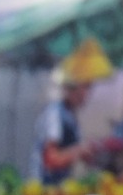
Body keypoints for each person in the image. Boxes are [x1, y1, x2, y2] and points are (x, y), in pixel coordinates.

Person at [33, 38, 113, 185]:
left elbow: (71, 154)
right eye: (86, 86)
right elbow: (50, 159)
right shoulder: (55, 114)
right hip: (45, 191)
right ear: (72, 87)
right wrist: (80, 150)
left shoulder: (70, 115)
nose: (88, 93)